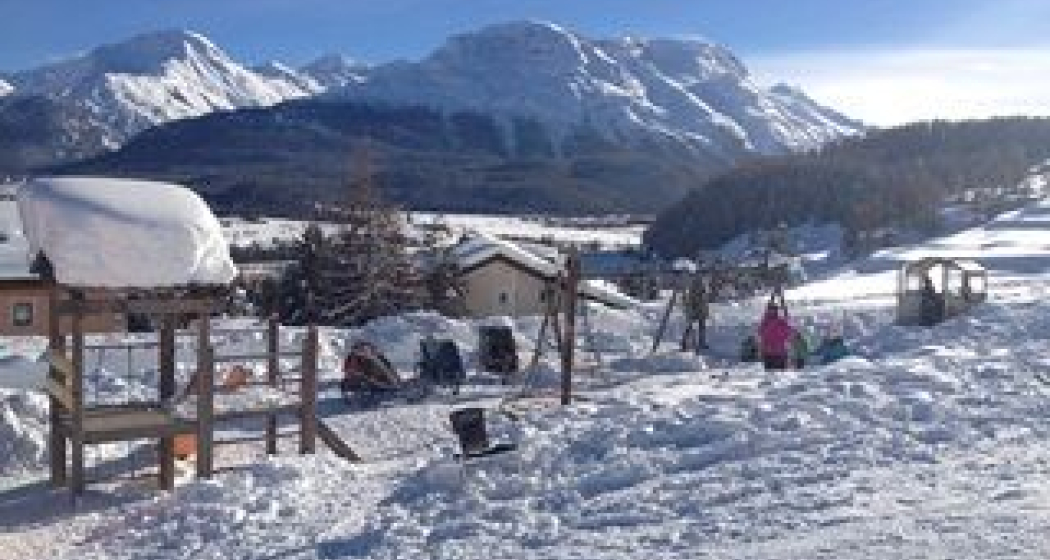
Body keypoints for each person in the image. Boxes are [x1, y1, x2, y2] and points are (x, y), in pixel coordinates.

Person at [758, 302, 793, 371]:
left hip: (780, 353)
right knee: (770, 374)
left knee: (780, 375)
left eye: (773, 310)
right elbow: (761, 333)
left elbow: (789, 331)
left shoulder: (781, 322)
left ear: (776, 311)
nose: (772, 312)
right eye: (770, 310)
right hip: (769, 353)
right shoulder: (765, 322)